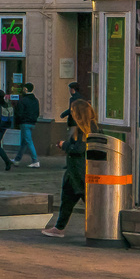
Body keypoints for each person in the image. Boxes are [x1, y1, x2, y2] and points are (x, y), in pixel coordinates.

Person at [43, 98, 97, 238]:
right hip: (75, 172)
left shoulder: (84, 130)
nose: (71, 115)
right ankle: (59, 228)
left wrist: (64, 145)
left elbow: (79, 149)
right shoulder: (87, 128)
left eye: (73, 112)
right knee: (68, 200)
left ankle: (98, 228)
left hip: (79, 172)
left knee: (88, 201)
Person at [14, 82, 41, 168]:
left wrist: (18, 121)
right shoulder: (35, 100)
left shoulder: (23, 100)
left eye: (23, 88)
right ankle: (17, 159)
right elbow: (37, 112)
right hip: (32, 122)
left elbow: (19, 113)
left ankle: (35, 160)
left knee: (28, 141)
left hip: (24, 123)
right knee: (24, 142)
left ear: (25, 89)